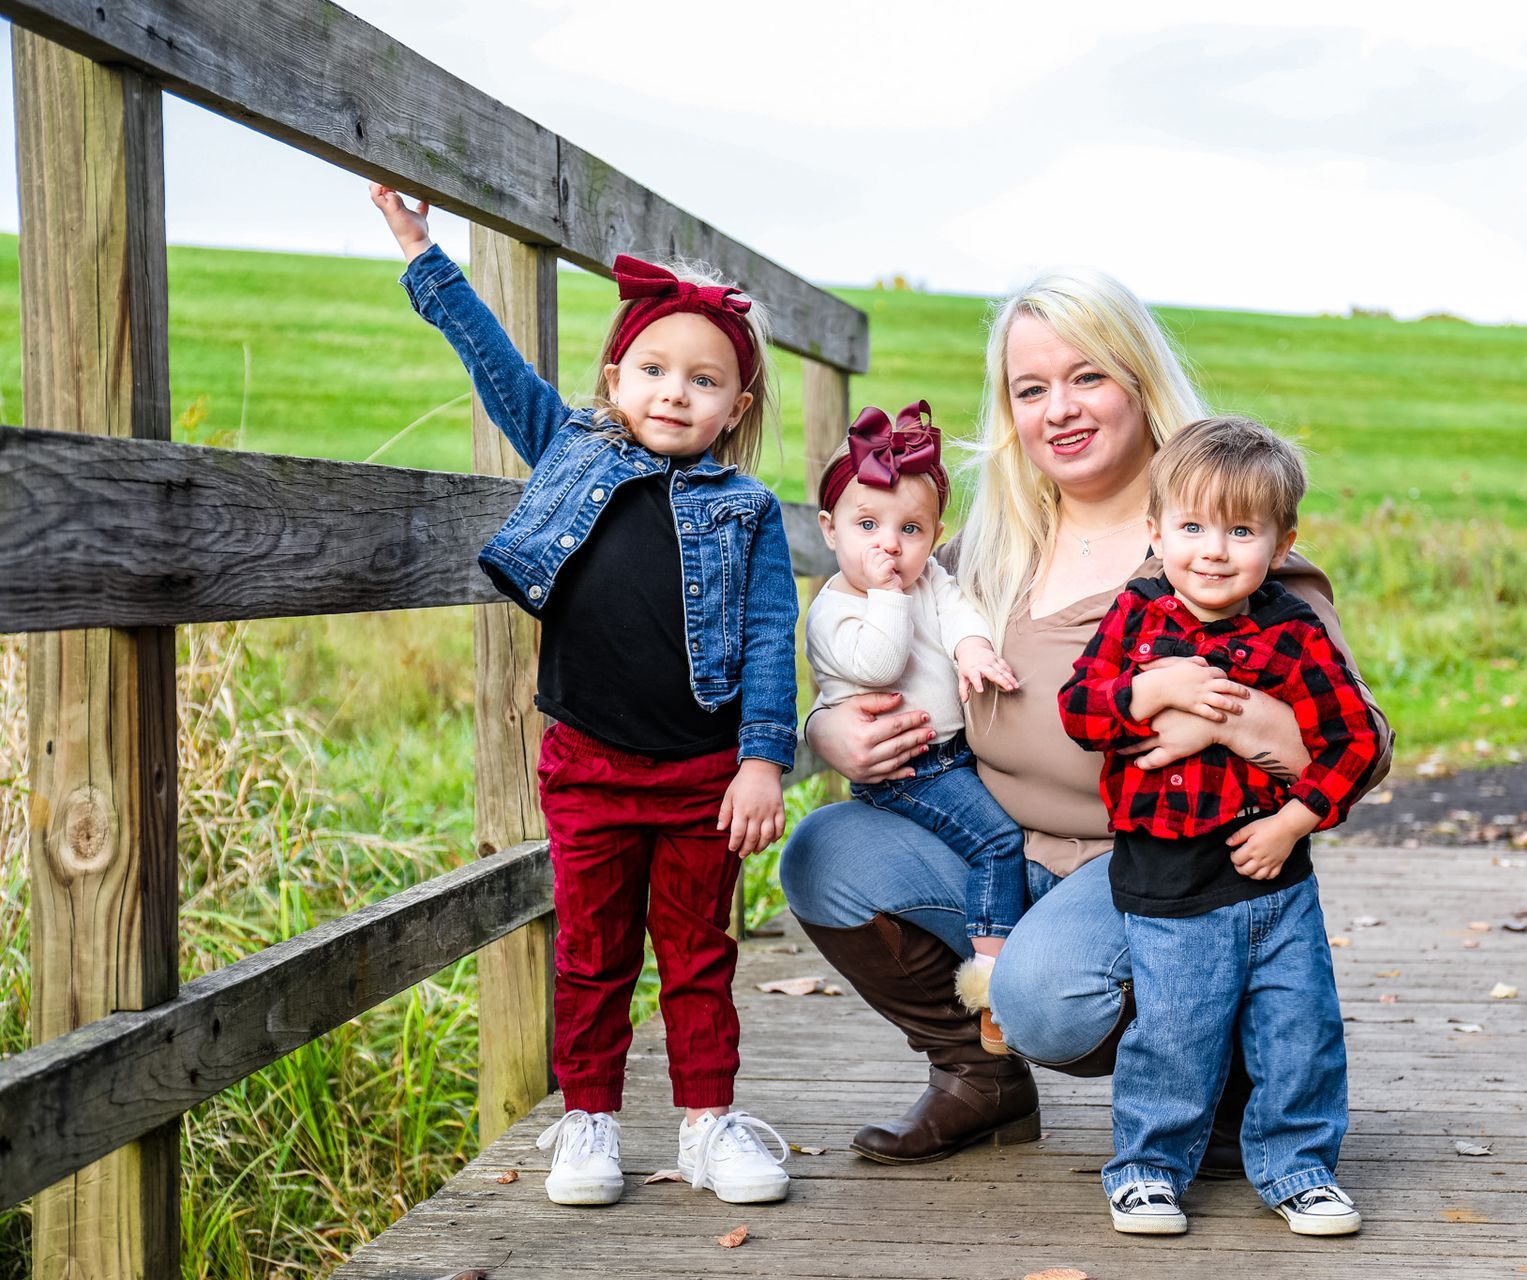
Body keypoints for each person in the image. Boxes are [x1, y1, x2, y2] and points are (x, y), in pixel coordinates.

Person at [779, 267, 1393, 1173]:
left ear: (1141, 384)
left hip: (1158, 866)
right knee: (826, 855)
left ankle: (1217, 1066)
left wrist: (1228, 717)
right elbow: (866, 653)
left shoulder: (1212, 543)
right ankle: (977, 1082)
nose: (1059, 409)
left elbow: (1361, 745)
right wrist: (826, 736)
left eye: (1087, 377)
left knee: (1046, 1000)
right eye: (1032, 389)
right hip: (1002, 849)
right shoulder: (982, 551)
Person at [371, 185, 798, 1207]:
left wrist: (762, 758)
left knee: (697, 952)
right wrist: (426, 255)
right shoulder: (571, 448)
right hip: (588, 765)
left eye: (704, 381)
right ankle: (589, 1121)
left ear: (735, 408)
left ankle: (705, 1122)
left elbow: (773, 633)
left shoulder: (747, 508)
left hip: (703, 774)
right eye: (653, 370)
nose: (674, 392)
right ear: (617, 378)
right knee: (594, 953)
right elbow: (495, 366)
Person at [1060, 416, 1381, 1236]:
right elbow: (1080, 709)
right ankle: (1148, 1168)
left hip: (1278, 877)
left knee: (1299, 1031)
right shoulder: (1137, 620)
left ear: (1280, 545)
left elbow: (1353, 741)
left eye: (1241, 531)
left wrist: (1297, 819)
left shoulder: (1293, 630)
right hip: (1170, 880)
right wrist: (1153, 689)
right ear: (1156, 532)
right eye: (1193, 527)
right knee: (1176, 1032)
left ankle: (1298, 1166)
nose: (1213, 550)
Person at [804, 402, 1027, 1052]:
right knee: (995, 843)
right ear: (829, 529)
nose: (890, 546)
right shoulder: (836, 610)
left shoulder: (927, 576)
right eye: (867, 525)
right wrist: (889, 595)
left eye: (911, 529)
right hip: (907, 769)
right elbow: (878, 664)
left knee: (982, 839)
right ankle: (992, 986)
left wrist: (973, 650)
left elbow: (957, 609)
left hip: (952, 754)